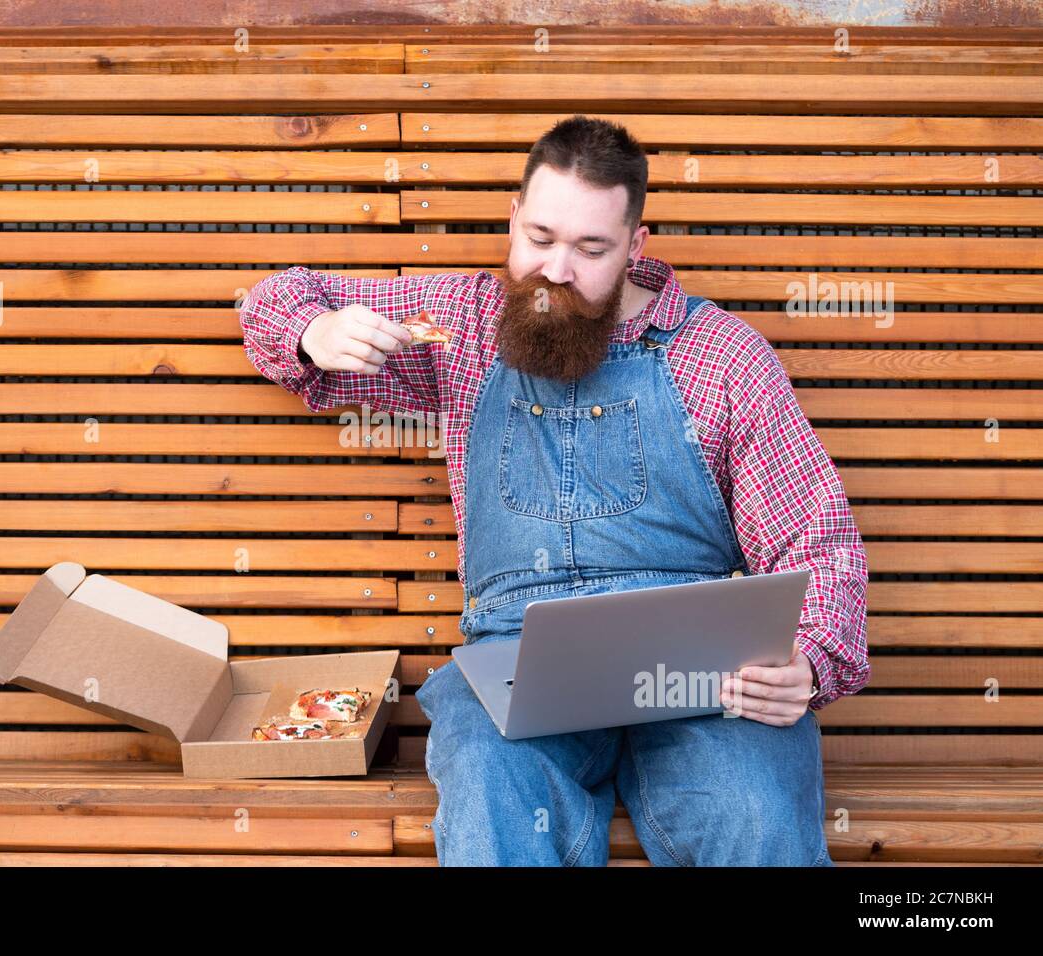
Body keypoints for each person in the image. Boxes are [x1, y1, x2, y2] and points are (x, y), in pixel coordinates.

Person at [239, 116, 869, 866]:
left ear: (636, 245)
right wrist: (316, 329)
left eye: (591, 248)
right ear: (513, 216)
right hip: (519, 667)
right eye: (538, 238)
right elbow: (273, 297)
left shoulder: (722, 355)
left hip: (697, 674)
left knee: (755, 817)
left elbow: (818, 540)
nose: (556, 270)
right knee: (489, 794)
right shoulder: (463, 326)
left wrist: (810, 658)